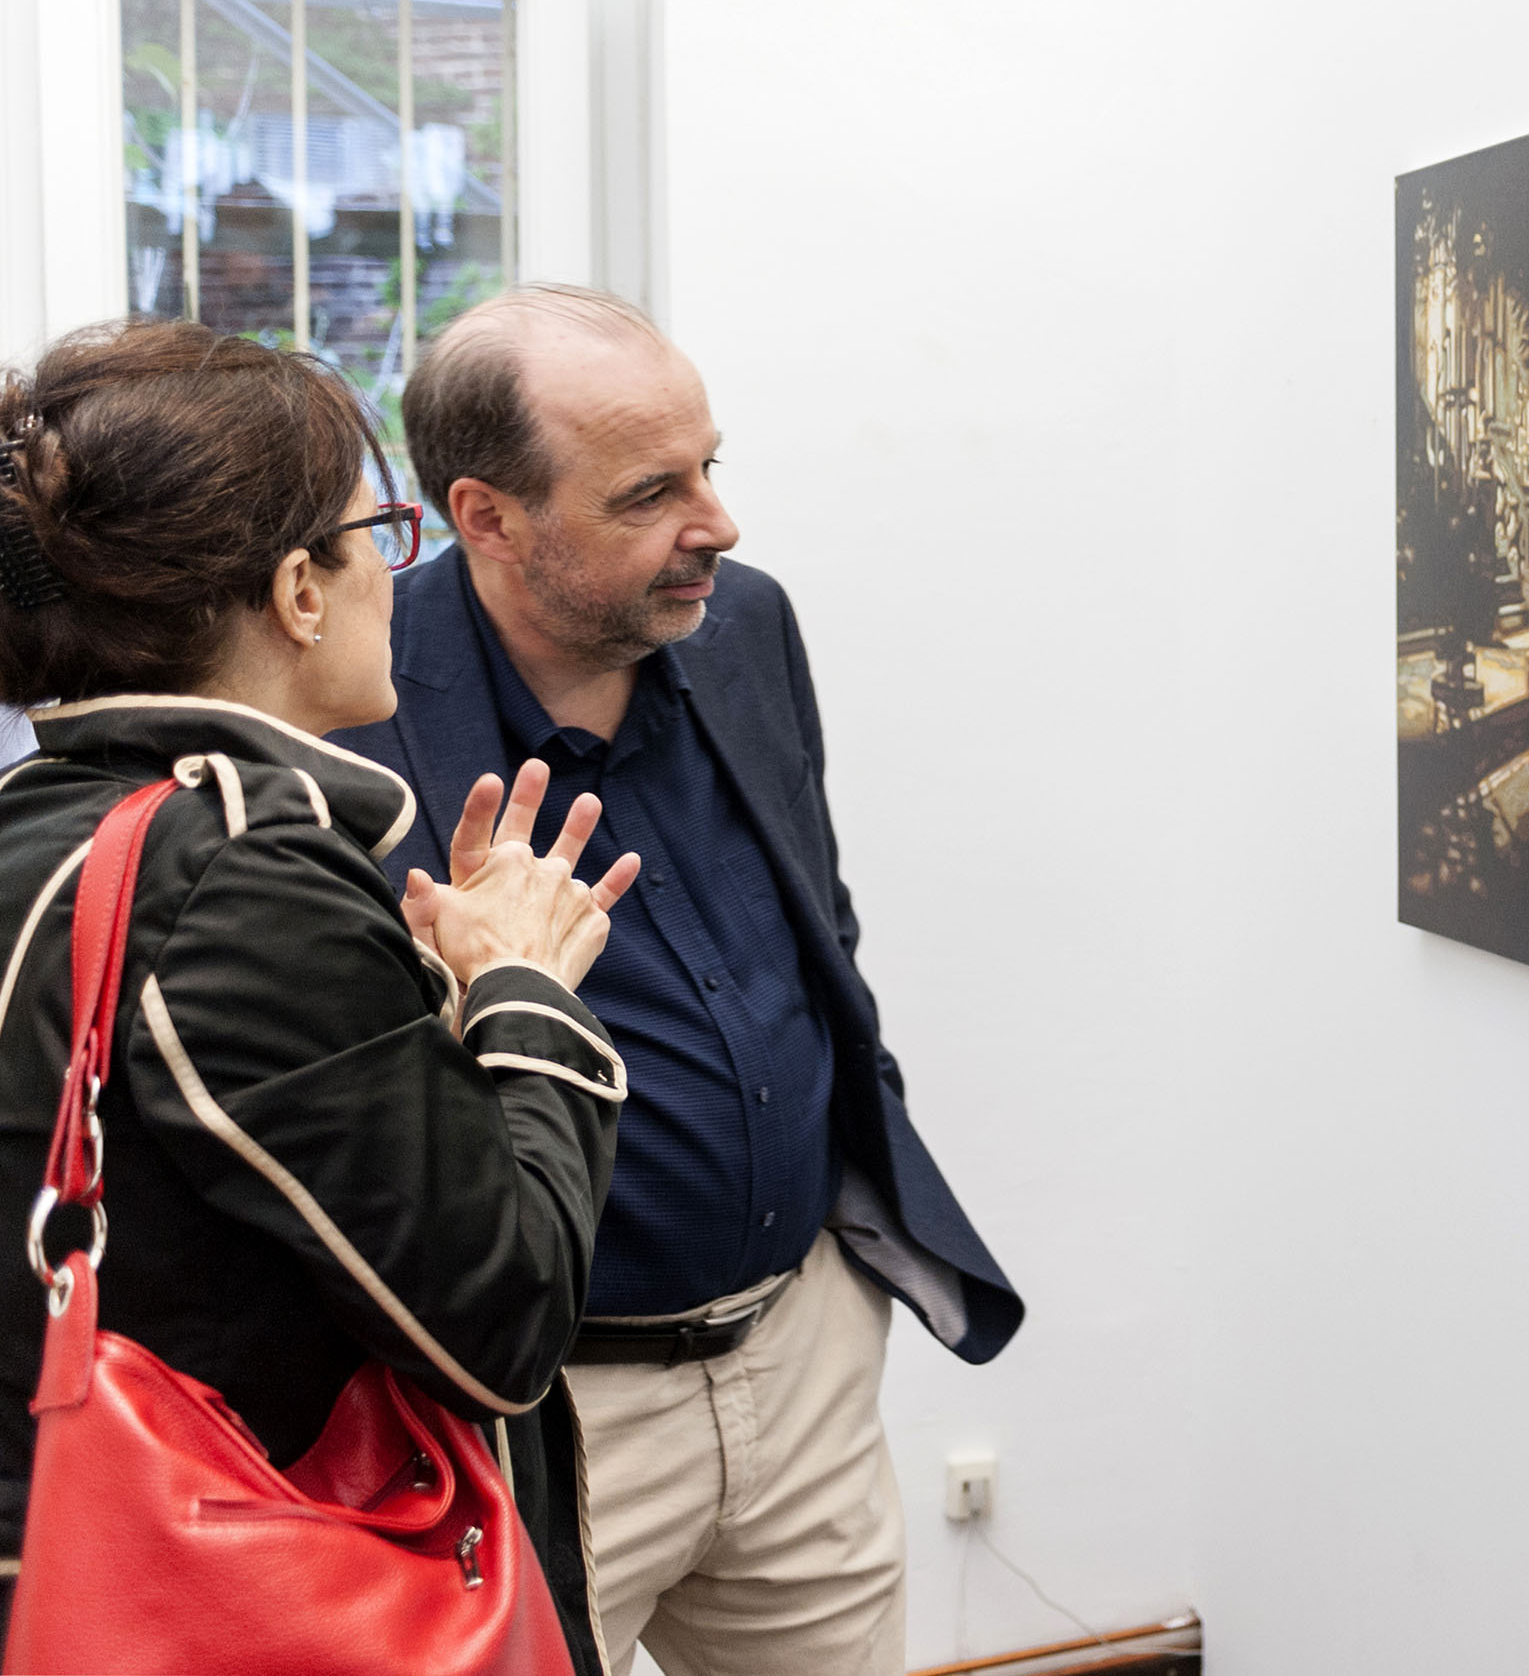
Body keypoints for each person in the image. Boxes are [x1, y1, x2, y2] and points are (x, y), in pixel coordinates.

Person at [338, 285, 1022, 1676]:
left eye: (709, 465)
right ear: (487, 518)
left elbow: (816, 919)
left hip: (802, 1357)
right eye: (652, 493)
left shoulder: (744, 623)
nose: (718, 522)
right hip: (542, 1413)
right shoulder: (351, 713)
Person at [0, 319, 634, 1666]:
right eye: (380, 533)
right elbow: (501, 1319)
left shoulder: (42, 827)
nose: (397, 579)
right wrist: (524, 989)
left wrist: (425, 1010)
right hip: (246, 1602)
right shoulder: (236, 877)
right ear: (299, 590)